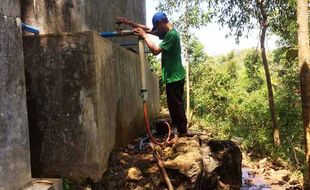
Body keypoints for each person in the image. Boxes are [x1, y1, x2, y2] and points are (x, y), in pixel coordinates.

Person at [117, 12, 188, 136]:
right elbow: (148, 29)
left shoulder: (172, 35)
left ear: (160, 23)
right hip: (173, 76)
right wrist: (128, 22)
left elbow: (155, 51)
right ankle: (179, 128)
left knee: (176, 105)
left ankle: (182, 131)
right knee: (173, 104)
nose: (156, 30)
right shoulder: (167, 32)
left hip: (175, 76)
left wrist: (144, 36)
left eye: (157, 27)